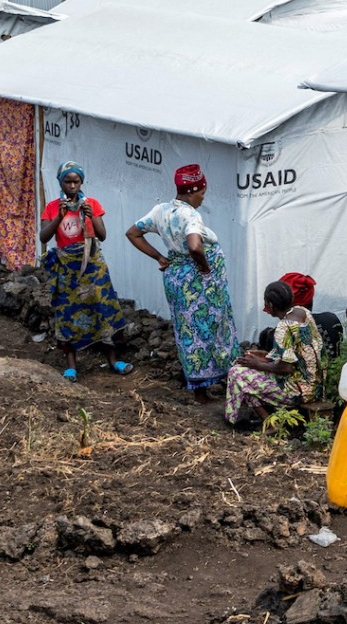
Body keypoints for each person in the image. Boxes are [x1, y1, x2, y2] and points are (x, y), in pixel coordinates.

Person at [125, 164, 238, 400]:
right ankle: (223, 382)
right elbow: (195, 246)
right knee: (214, 327)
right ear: (192, 191)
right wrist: (205, 268)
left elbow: (132, 233)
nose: (203, 198)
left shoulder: (160, 210)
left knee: (189, 331)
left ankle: (200, 391)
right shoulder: (190, 215)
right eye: (202, 193)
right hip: (200, 282)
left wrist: (159, 257)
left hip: (177, 279)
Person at [37, 163, 135, 380]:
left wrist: (90, 216)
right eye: (67, 182)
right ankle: (71, 365)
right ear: (60, 182)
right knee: (67, 312)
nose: (72, 186)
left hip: (92, 266)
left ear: (81, 182)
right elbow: (44, 237)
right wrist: (59, 217)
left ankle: (113, 360)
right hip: (67, 268)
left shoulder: (91, 204)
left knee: (103, 309)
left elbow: (102, 235)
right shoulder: (52, 207)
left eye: (76, 182)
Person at [224, 279, 323, 427]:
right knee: (244, 376)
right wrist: (264, 356)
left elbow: (286, 368)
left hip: (300, 391)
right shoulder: (302, 312)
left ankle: (259, 422)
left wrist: (257, 364)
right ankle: (268, 422)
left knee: (236, 374)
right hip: (316, 383)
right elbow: (296, 354)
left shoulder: (283, 328)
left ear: (270, 305)